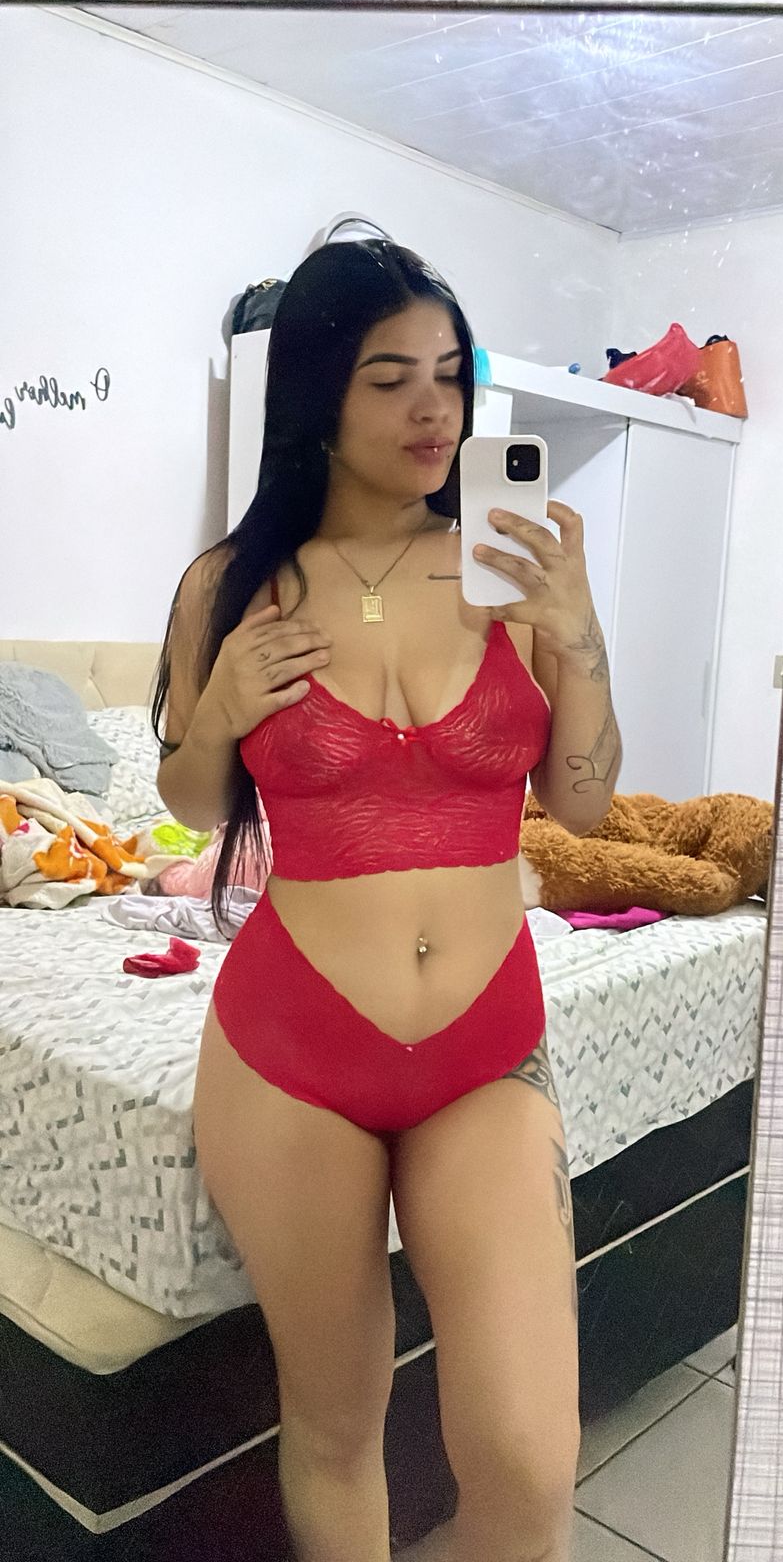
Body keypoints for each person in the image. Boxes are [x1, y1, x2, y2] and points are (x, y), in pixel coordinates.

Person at [152, 241, 584, 1562]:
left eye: (450, 375)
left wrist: (578, 638)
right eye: (390, 378)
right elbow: (190, 805)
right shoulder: (232, 586)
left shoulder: (510, 574)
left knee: (529, 1467)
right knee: (337, 1423)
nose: (431, 409)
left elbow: (579, 803)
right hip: (292, 1055)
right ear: (316, 396)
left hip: (483, 1051)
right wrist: (221, 713)